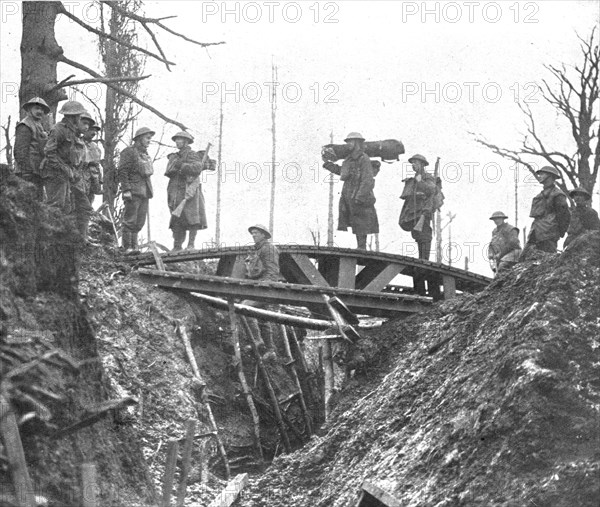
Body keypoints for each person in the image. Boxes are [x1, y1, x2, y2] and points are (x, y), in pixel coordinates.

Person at [44, 100, 93, 244]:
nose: (80, 119)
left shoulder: (74, 132)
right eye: (78, 116)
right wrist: (65, 169)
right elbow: (49, 152)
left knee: (69, 208)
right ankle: (48, 240)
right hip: (54, 174)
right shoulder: (58, 129)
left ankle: (65, 240)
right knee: (55, 207)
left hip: (67, 175)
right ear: (72, 117)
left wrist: (71, 172)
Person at [323, 132, 379, 250]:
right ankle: (360, 247)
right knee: (355, 219)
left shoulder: (363, 158)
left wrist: (360, 196)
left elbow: (367, 179)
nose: (348, 144)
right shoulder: (349, 159)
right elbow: (343, 172)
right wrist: (328, 165)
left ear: (357, 143)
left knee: (361, 221)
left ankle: (362, 247)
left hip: (359, 193)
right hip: (348, 192)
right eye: (348, 142)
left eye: (350, 141)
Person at [165, 131, 211, 250]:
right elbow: (169, 172)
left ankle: (191, 244)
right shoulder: (175, 156)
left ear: (186, 142)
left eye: (179, 140)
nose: (177, 142)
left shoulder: (191, 154)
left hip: (189, 189)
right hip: (175, 190)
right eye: (176, 140)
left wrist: (181, 165)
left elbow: (197, 168)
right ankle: (177, 246)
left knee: (192, 217)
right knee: (177, 218)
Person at [243, 224, 281, 359]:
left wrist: (264, 287)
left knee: (244, 307)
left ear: (264, 235)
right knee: (263, 318)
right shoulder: (258, 250)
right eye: (252, 233)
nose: (253, 235)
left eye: (256, 233)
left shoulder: (269, 248)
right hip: (261, 288)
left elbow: (272, 271)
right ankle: (271, 350)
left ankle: (257, 340)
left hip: (266, 289)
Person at [118, 127, 155, 253]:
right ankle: (127, 247)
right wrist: (126, 189)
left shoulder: (145, 154)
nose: (149, 141)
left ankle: (134, 247)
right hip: (133, 191)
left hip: (145, 192)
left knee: (139, 221)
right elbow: (122, 171)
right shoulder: (129, 152)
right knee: (130, 220)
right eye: (147, 138)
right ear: (139, 138)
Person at [523, 166, 570, 255]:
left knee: (548, 260)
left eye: (542, 174)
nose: (539, 176)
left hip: (548, 233)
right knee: (524, 258)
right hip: (536, 232)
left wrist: (559, 232)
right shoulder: (541, 194)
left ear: (550, 176)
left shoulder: (558, 194)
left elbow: (564, 215)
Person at [399, 154, 438, 260]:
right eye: (412, 163)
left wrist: (420, 181)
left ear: (422, 164)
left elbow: (431, 190)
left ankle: (424, 259)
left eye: (415, 163)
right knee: (418, 235)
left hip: (423, 210)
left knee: (424, 234)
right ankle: (422, 259)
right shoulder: (415, 178)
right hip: (414, 211)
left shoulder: (427, 177)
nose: (413, 165)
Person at [13, 97, 50, 200]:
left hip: (37, 171)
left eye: (42, 110)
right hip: (27, 172)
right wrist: (26, 170)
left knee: (37, 202)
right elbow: (20, 150)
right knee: (27, 202)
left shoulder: (39, 126)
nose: (40, 111)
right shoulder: (25, 125)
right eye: (37, 108)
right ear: (29, 109)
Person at [487, 211, 521, 275]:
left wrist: (500, 254)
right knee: (496, 270)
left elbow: (513, 244)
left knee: (502, 266)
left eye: (498, 219)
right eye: (495, 219)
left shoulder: (511, 229)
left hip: (514, 252)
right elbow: (491, 244)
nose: (496, 221)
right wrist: (490, 253)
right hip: (501, 256)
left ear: (503, 219)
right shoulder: (495, 231)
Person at [81, 113, 103, 205]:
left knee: (89, 202)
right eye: (91, 130)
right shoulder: (79, 143)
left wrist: (99, 180)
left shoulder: (95, 147)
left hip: (92, 180)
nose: (93, 133)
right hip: (81, 178)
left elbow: (97, 165)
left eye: (95, 131)